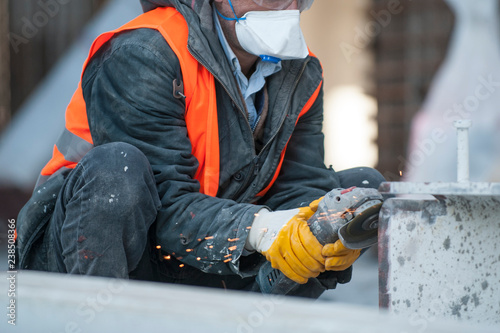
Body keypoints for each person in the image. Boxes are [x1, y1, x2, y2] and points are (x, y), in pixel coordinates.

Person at [17, 0, 385, 298]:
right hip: (86, 250)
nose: (280, 5)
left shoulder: (302, 73)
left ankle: (251, 316)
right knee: (118, 170)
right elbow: (166, 204)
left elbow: (301, 183)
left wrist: (314, 230)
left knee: (351, 199)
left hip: (191, 252)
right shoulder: (145, 53)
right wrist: (265, 230)